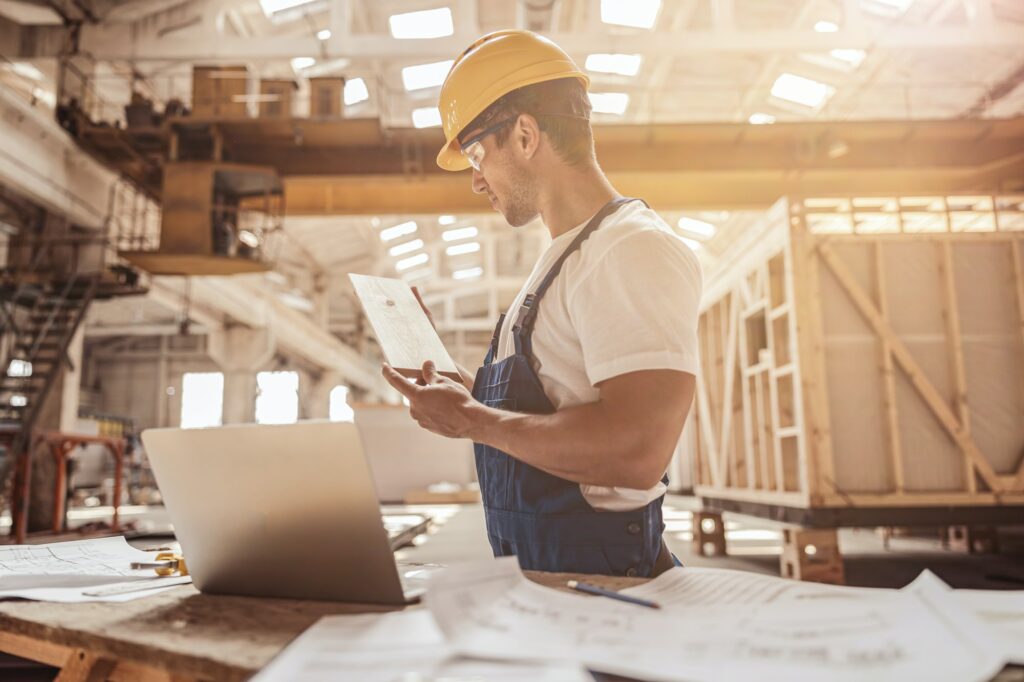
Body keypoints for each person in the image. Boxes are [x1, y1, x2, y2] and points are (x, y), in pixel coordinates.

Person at [382, 30, 702, 577]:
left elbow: (637, 448)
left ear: (526, 135)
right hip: (547, 580)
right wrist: (467, 392)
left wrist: (475, 423)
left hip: (607, 588)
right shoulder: (562, 261)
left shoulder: (630, 248)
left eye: (477, 154)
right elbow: (555, 400)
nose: (477, 180)